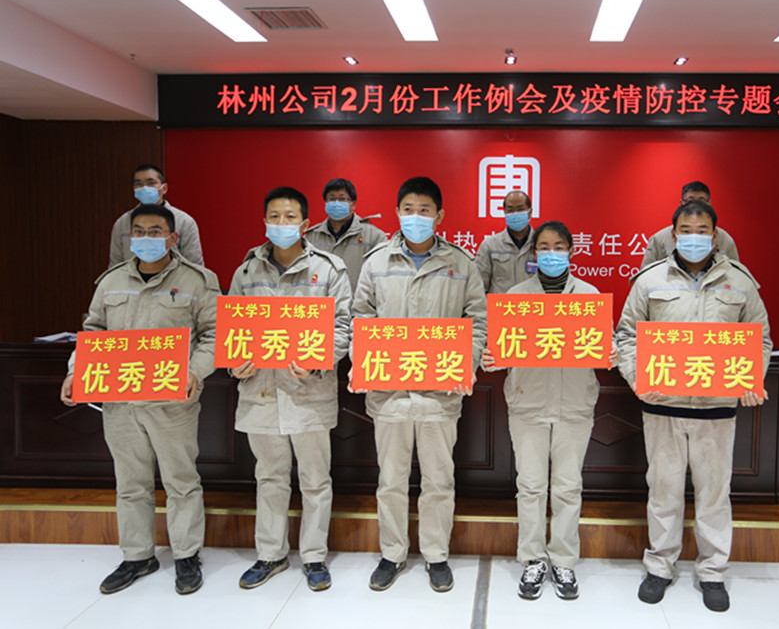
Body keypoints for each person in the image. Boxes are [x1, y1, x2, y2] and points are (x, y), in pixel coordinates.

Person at [616, 200, 771, 613]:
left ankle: (712, 572)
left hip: (716, 408)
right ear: (673, 234)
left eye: (702, 231)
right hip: (662, 406)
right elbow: (626, 336)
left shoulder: (740, 281)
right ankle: (660, 567)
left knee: (714, 494)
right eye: (686, 230)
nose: (694, 237)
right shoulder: (649, 280)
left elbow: (760, 338)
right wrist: (637, 378)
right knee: (663, 491)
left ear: (715, 236)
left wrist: (751, 379)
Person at [61, 203, 218, 595]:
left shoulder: (197, 280)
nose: (146, 238)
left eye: (155, 231)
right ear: (129, 236)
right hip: (120, 402)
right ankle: (137, 556)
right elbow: (93, 331)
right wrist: (75, 371)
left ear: (172, 237)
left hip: (172, 402)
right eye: (139, 232)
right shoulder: (111, 281)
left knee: (181, 481)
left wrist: (195, 371)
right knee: (130, 482)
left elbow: (214, 335)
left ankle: (186, 555)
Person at [351, 176, 488, 593]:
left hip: (439, 395)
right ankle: (392, 554)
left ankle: (436, 555)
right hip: (389, 394)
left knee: (438, 480)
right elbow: (360, 318)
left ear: (439, 215)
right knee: (390, 481)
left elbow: (478, 322)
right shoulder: (376, 262)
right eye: (408, 209)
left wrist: (467, 363)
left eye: (424, 210)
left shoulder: (461, 263)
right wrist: (360, 360)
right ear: (397, 213)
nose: (416, 217)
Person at [482, 221, 615, 601]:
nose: (551, 253)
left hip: (574, 403)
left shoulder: (589, 296)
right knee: (530, 486)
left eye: (559, 246)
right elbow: (499, 348)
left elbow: (605, 346)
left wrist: (611, 351)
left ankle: (563, 560)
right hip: (528, 401)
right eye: (544, 247)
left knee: (568, 486)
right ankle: (533, 559)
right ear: (534, 253)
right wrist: (491, 357)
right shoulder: (515, 296)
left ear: (571, 250)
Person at [229, 187, 353, 592]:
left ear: (305, 224)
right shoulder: (247, 271)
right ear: (264, 221)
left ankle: (314, 556)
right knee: (269, 477)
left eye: (290, 217)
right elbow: (233, 329)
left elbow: (344, 326)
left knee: (315, 479)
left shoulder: (329, 269)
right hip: (261, 392)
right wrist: (235, 363)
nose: (281, 224)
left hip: (308, 391)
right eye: (274, 217)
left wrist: (319, 358)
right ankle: (271, 553)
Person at [109, 165, 204, 267]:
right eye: (139, 184)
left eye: (151, 183)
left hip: (173, 276)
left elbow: (195, 265)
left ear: (164, 188)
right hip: (131, 276)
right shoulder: (122, 222)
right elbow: (115, 264)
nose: (144, 188)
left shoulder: (184, 221)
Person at [304, 177, 387, 291]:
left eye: (342, 199)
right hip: (321, 301)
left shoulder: (373, 236)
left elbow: (383, 276)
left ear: (353, 204)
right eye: (331, 199)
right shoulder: (311, 237)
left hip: (358, 302)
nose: (336, 203)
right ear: (325, 203)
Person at [641, 181, 739, 268]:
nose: (695, 205)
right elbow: (646, 275)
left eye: (701, 201)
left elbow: (735, 274)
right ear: (681, 203)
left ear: (709, 203)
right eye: (690, 201)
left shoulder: (725, 239)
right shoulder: (659, 239)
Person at [475, 190, 535, 294]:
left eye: (520, 209)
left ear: (529, 212)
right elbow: (478, 287)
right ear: (505, 213)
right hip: (500, 305)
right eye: (510, 210)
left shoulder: (541, 245)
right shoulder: (490, 245)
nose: (515, 214)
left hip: (534, 304)